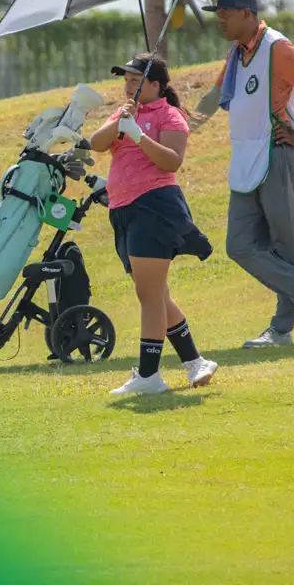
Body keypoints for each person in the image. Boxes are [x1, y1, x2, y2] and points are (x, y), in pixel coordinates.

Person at [190, 0, 294, 348]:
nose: (220, 20)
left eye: (225, 13)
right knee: (238, 245)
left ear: (247, 13)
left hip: (277, 154)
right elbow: (215, 97)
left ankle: (282, 329)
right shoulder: (236, 53)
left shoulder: (277, 48)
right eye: (218, 13)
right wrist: (179, 126)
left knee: (287, 245)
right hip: (246, 159)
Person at [88, 53, 217, 395]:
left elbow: (172, 161)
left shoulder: (169, 115)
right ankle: (195, 362)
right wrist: (121, 123)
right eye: (126, 80)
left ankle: (148, 376)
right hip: (123, 209)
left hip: (155, 206)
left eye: (136, 80)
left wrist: (138, 136)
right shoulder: (124, 113)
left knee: (148, 294)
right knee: (156, 293)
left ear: (156, 85)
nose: (128, 86)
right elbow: (96, 144)